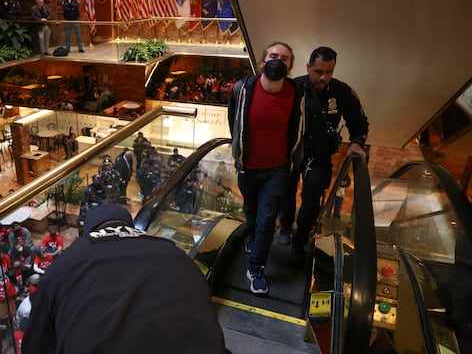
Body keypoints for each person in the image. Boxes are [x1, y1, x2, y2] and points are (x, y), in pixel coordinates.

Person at [22, 204, 228, 353]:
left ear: (89, 230)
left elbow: (35, 344)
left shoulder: (65, 262)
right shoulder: (174, 253)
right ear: (130, 225)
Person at [280, 46, 368, 266]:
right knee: (285, 195)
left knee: (310, 205)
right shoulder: (292, 87)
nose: (323, 77)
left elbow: (358, 122)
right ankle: (284, 228)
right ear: (308, 67)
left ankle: (299, 243)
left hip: (320, 157)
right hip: (290, 154)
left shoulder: (341, 92)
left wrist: (357, 142)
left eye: (329, 72)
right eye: (319, 71)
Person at [227, 42, 302, 295]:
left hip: (278, 169)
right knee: (250, 208)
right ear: (262, 62)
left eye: (284, 58)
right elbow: (233, 121)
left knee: (267, 219)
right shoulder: (243, 89)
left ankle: (256, 268)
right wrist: (239, 153)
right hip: (248, 167)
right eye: (273, 56)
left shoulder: (296, 93)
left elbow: (298, 128)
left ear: (290, 66)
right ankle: (251, 235)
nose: (278, 60)